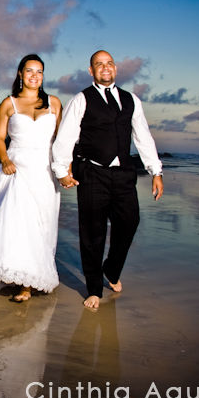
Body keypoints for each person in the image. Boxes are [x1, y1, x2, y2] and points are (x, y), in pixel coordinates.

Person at [51, 50, 163, 310]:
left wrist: (155, 171)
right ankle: (93, 289)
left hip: (123, 173)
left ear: (115, 68)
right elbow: (66, 137)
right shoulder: (81, 99)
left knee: (130, 221)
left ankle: (111, 270)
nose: (105, 68)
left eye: (109, 63)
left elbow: (143, 137)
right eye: (99, 64)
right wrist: (61, 172)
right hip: (92, 172)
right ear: (91, 71)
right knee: (93, 233)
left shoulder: (131, 99)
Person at [0, 54, 63, 302]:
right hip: (16, 168)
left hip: (44, 171)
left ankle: (34, 276)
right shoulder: (8, 103)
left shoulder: (54, 103)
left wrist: (67, 170)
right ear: (20, 74)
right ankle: (24, 285)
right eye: (29, 70)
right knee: (19, 224)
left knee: (43, 224)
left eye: (39, 71)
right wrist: (5, 160)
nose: (34, 75)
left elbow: (61, 143)